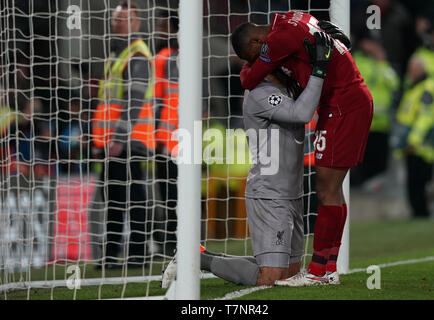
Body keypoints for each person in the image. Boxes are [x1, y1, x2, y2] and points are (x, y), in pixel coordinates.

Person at [161, 31, 334, 288]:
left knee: (288, 273)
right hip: (269, 193)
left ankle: (198, 255)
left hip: (291, 191)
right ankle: (194, 258)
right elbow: (302, 113)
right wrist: (319, 70)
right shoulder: (261, 93)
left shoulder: (284, 85)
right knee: (271, 278)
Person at [231, 11, 373, 286]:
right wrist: (332, 54)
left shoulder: (279, 40)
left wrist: (321, 67)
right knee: (332, 189)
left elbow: (250, 79)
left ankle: (319, 272)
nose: (262, 64)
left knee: (327, 189)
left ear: (257, 43)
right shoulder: (297, 19)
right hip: (343, 104)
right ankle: (328, 267)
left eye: (256, 57)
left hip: (343, 106)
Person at [92, 1, 155, 269]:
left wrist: (118, 138)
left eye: (123, 19)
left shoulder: (136, 54)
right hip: (115, 140)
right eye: (116, 19)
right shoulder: (119, 54)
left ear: (136, 23)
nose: (117, 23)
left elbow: (134, 101)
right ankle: (111, 255)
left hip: (129, 140)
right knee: (117, 197)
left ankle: (136, 253)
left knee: (129, 196)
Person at [390, 55, 434, 218]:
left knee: (421, 183)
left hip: (422, 146)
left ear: (421, 69)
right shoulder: (414, 87)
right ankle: (418, 212)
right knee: (413, 184)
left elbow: (426, 117)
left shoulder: (427, 89)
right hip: (411, 145)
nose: (410, 71)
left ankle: (423, 213)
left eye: (413, 68)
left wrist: (414, 140)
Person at [351, 30, 400, 185]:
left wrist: (382, 62)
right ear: (364, 43)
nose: (374, 46)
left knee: (380, 164)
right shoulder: (355, 60)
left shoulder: (382, 63)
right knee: (362, 163)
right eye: (371, 42)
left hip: (382, 123)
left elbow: (394, 83)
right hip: (363, 122)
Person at [153, 9, 180, 257]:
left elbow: (159, 100)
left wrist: (159, 137)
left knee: (170, 195)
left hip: (168, 139)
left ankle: (172, 243)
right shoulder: (186, 58)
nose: (158, 29)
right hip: (184, 137)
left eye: (162, 25)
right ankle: (179, 241)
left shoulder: (164, 57)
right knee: (178, 194)